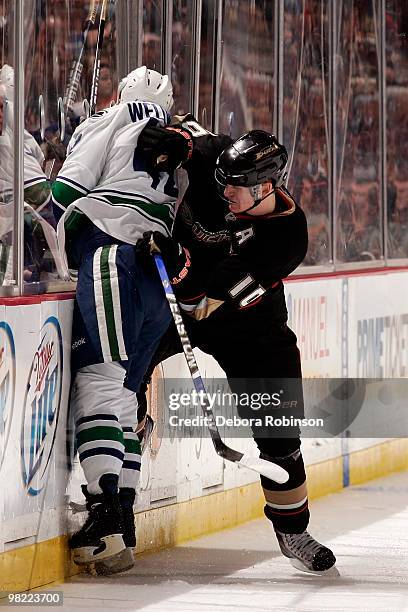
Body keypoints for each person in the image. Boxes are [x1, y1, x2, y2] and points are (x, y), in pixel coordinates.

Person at [129, 119, 337, 575]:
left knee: (280, 431)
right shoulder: (218, 163)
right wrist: (174, 141)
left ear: (266, 188)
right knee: (123, 370)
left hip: (246, 326)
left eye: (237, 189)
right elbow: (191, 140)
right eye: (223, 184)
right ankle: (118, 498)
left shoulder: (286, 237)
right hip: (175, 307)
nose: (226, 194)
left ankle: (293, 530)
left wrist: (177, 264)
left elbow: (206, 301)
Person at [52, 67, 192, 569]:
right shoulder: (175, 135)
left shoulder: (111, 117)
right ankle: (124, 527)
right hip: (157, 269)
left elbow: (65, 192)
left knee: (99, 387)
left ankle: (104, 520)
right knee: (126, 396)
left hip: (113, 257)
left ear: (121, 95)